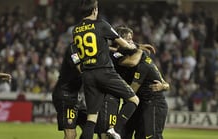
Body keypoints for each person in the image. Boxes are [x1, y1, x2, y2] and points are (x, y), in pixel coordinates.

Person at [72, 0, 140, 138]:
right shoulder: (101, 24)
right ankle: (115, 129)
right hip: (104, 72)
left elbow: (77, 55)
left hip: (88, 74)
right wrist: (137, 48)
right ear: (95, 10)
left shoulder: (76, 30)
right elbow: (125, 45)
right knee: (134, 100)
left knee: (91, 118)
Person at [112, 26, 169, 139]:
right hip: (138, 102)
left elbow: (134, 88)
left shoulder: (142, 60)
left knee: (150, 136)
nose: (131, 41)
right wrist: (139, 47)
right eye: (128, 39)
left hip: (152, 101)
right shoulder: (124, 54)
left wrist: (164, 86)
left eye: (131, 38)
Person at [52, 43, 87, 139]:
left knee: (89, 129)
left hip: (76, 96)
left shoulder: (89, 50)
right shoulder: (73, 49)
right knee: (71, 134)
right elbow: (80, 68)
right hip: (65, 94)